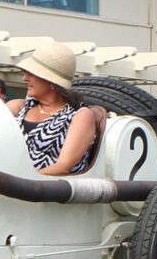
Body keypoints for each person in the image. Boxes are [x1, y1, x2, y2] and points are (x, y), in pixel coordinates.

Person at [6, 41, 95, 176]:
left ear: (51, 81)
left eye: (31, 73)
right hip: (6, 180)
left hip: (44, 186)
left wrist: (21, 182)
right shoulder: (19, 106)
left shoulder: (80, 116)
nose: (25, 78)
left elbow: (62, 167)